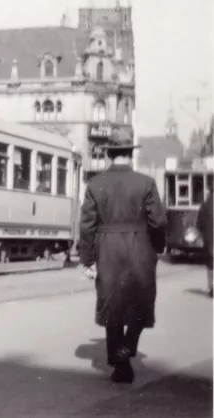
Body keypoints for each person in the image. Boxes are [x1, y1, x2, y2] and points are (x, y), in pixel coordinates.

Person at [78, 127, 166, 384]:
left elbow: (87, 226)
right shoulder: (146, 183)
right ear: (130, 154)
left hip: (107, 249)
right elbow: (158, 222)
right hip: (140, 247)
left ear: (110, 154)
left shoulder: (95, 184)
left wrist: (87, 259)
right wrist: (158, 247)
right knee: (141, 301)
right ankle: (127, 348)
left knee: (112, 303)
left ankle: (120, 362)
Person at [197, 191, 213, 298]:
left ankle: (212, 287)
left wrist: (203, 235)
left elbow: (199, 224)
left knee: (211, 265)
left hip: (209, 240)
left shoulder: (205, 205)